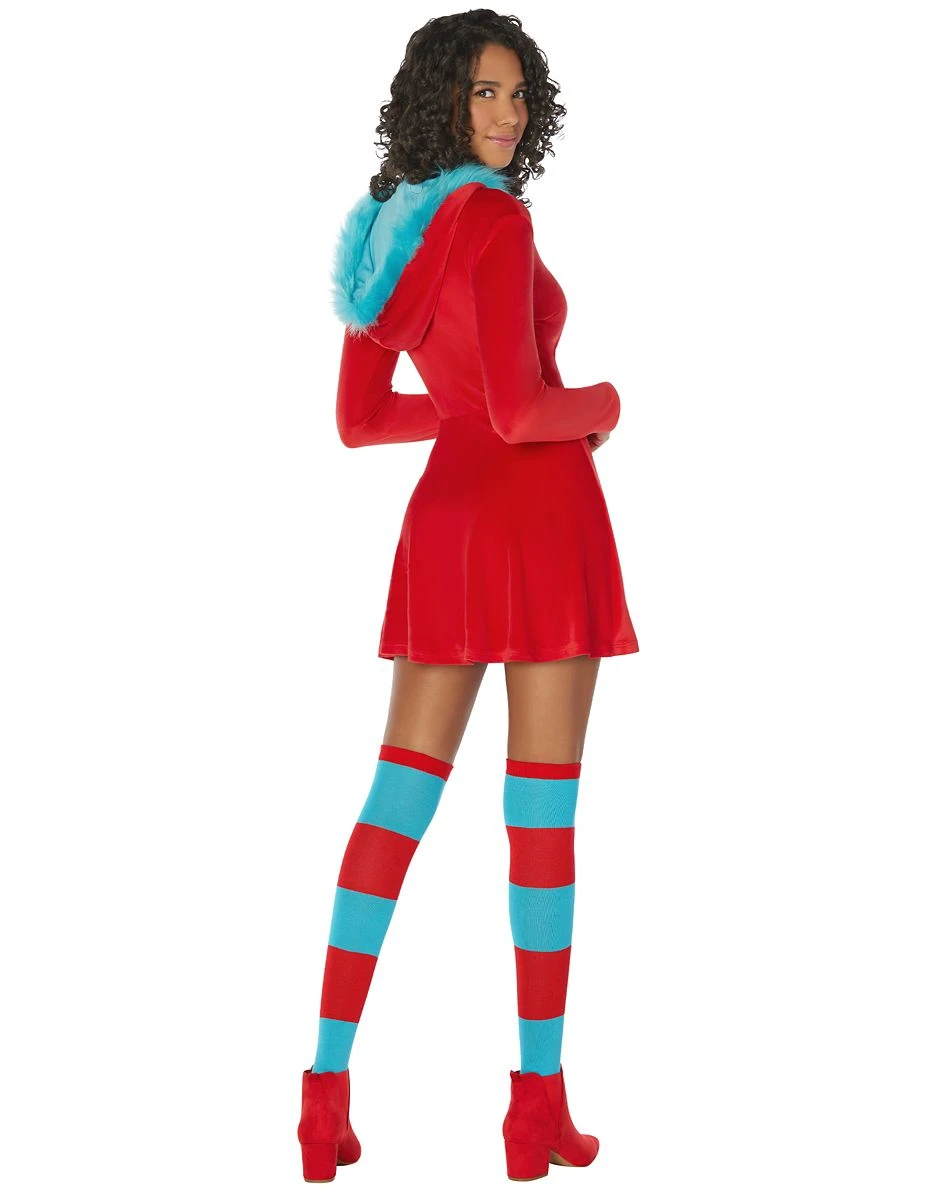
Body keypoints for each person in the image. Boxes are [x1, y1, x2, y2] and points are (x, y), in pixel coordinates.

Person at [297, 10, 639, 1183]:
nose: (504, 114)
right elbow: (523, 410)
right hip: (539, 526)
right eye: (483, 92)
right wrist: (603, 404)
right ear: (440, 98)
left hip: (444, 531)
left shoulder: (384, 232)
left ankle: (323, 1095)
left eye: (516, 94)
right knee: (539, 821)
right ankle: (533, 1107)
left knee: (395, 804)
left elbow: (360, 420)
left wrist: (463, 416)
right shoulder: (492, 221)